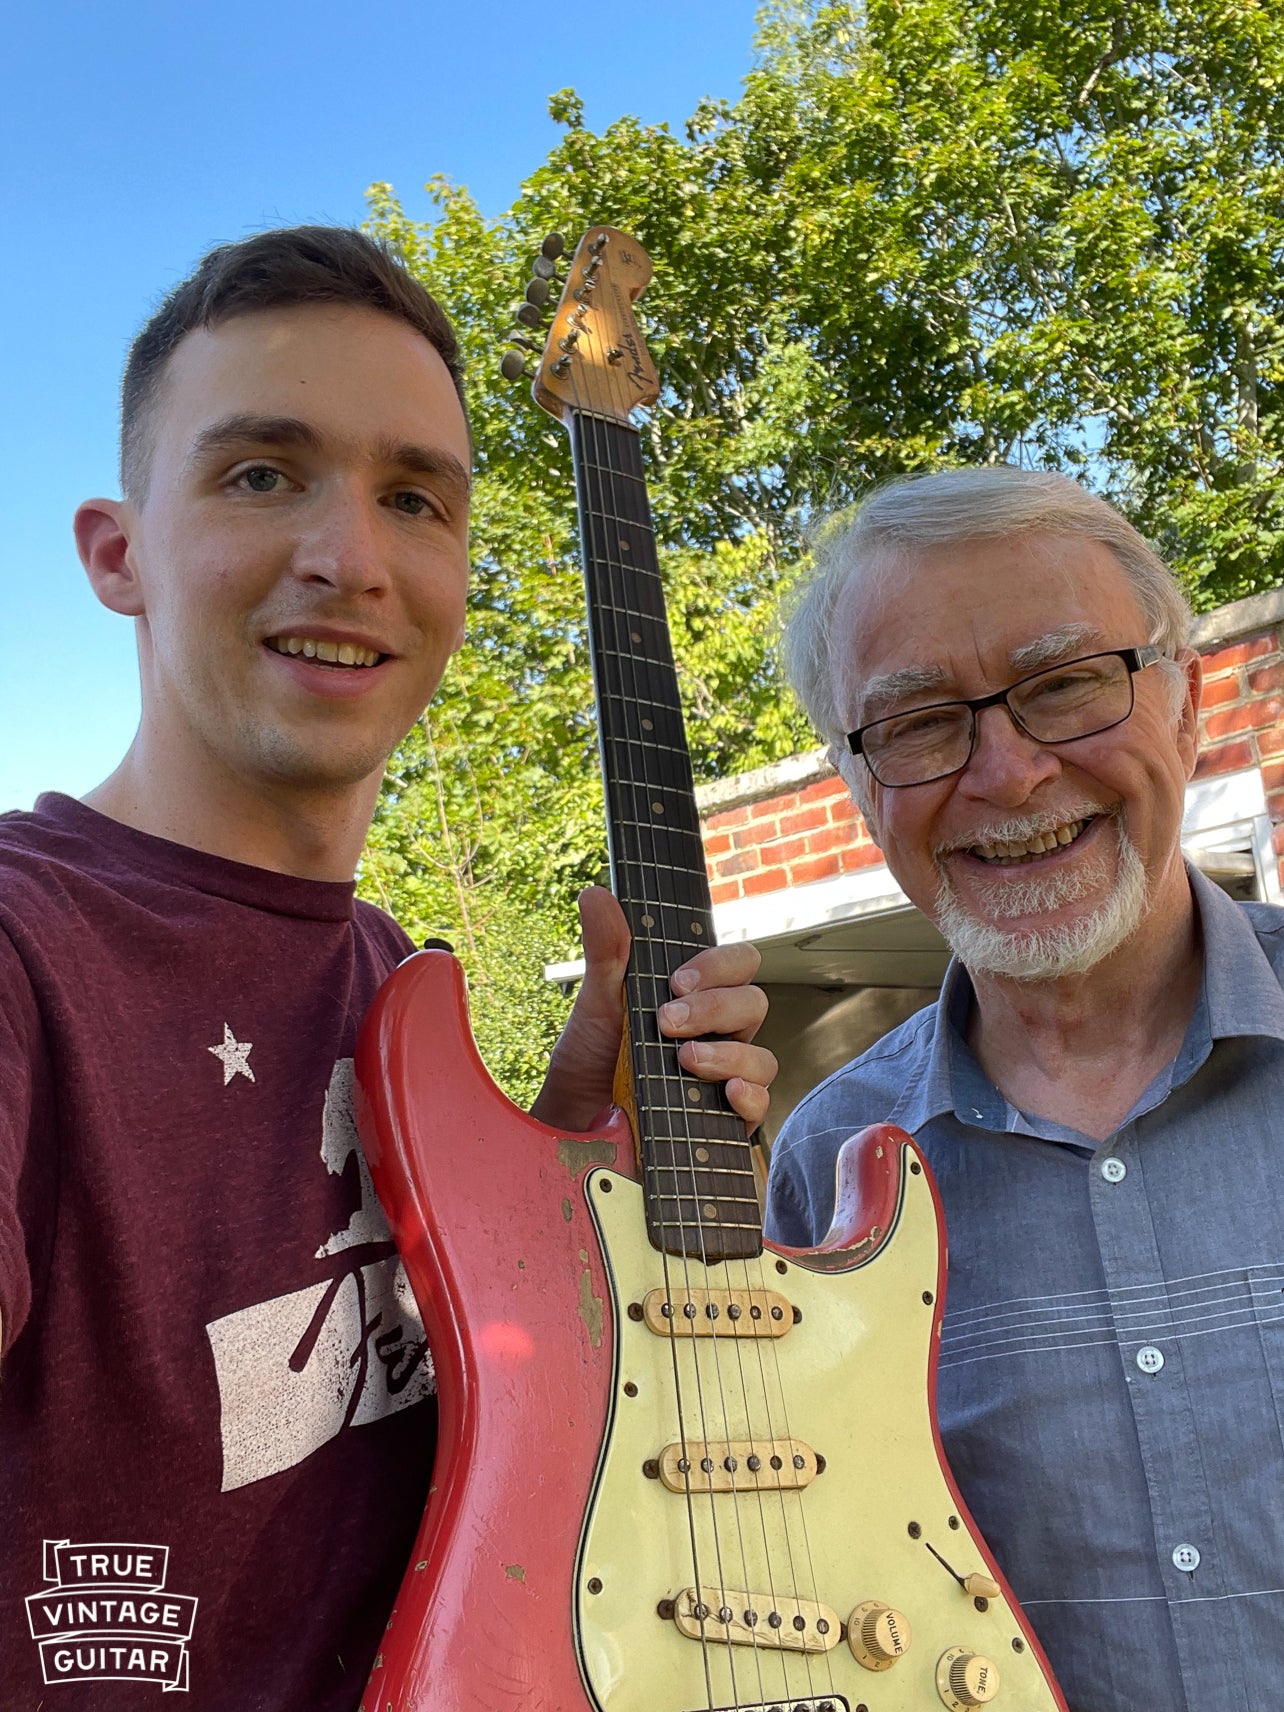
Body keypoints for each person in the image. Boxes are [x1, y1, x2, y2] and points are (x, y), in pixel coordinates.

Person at [0, 226, 777, 1710]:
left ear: (462, 574)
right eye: (261, 474)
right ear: (117, 555)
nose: (350, 559)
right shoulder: (25, 950)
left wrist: (572, 1163)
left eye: (414, 498)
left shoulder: (386, 974)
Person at [765, 465, 1284, 1712]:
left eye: (1063, 684)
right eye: (919, 722)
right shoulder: (830, 1164)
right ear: (857, 785)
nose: (1007, 772)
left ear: (1189, 703)